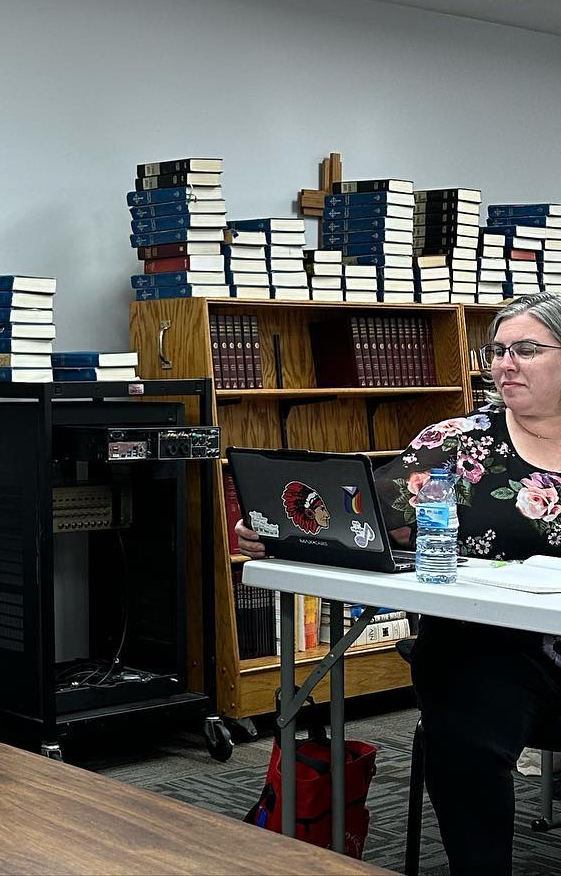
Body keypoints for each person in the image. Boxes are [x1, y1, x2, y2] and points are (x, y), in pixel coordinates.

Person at [236, 291, 561, 874]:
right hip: (485, 648)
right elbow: (357, 518)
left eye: (527, 350)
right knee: (466, 723)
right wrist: (275, 530)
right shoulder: (456, 445)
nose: (505, 364)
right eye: (498, 351)